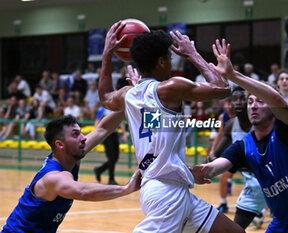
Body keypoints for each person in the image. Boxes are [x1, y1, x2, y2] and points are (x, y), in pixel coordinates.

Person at [98, 21, 244, 233]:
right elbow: (222, 88)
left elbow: (104, 97)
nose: (171, 62)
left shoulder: (128, 94)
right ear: (160, 62)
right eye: (169, 58)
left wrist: (106, 53)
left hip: (170, 188)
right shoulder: (171, 88)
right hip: (165, 193)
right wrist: (192, 54)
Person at [192, 39, 288, 233]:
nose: (253, 105)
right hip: (284, 225)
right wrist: (190, 172)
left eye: (260, 101)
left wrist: (233, 75)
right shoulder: (244, 146)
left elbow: (276, 98)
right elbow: (212, 169)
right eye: (250, 101)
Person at [1, 114, 142, 233]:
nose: (83, 137)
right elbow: (84, 192)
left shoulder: (70, 155)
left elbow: (103, 129)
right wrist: (126, 189)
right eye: (75, 134)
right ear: (60, 144)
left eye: (80, 132)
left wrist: (126, 106)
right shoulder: (54, 177)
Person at [207, 86, 267, 229]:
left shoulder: (263, 123)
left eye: (243, 99)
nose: (238, 102)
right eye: (235, 99)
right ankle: (257, 211)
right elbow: (216, 155)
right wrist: (206, 164)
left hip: (273, 182)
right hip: (253, 185)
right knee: (236, 229)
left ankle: (263, 211)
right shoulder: (230, 124)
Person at [94, 106, 127, 185]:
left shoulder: (115, 108)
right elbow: (97, 122)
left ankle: (99, 170)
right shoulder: (102, 109)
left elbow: (120, 121)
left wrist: (124, 133)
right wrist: (96, 135)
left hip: (115, 134)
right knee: (111, 158)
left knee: (115, 157)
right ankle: (111, 179)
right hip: (106, 135)